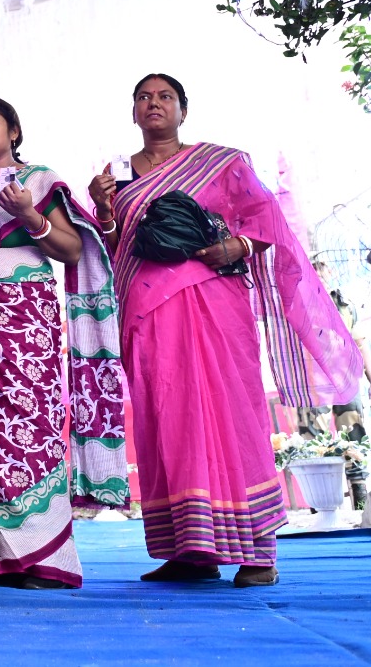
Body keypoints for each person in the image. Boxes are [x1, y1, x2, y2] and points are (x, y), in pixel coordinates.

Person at [90, 74, 364, 586]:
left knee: (232, 413)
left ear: (183, 110)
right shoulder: (116, 175)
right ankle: (191, 551)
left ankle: (259, 552)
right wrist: (103, 209)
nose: (154, 104)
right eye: (144, 98)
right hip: (148, 312)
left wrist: (237, 246)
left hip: (216, 303)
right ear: (133, 112)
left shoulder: (222, 162)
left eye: (165, 97)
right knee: (167, 416)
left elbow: (266, 220)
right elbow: (112, 247)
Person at [0, 97, 128, 590]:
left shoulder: (37, 181)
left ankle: (45, 557)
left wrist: (29, 215)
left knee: (27, 430)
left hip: (23, 328)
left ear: (14, 132)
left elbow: (72, 249)